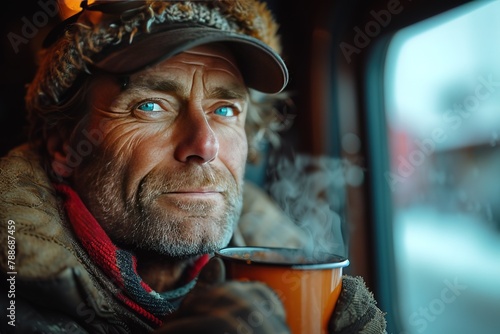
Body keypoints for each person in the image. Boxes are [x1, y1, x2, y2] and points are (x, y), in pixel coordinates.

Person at [0, 1, 387, 333]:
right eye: (150, 105)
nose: (204, 145)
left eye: (224, 110)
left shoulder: (287, 263)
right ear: (64, 146)